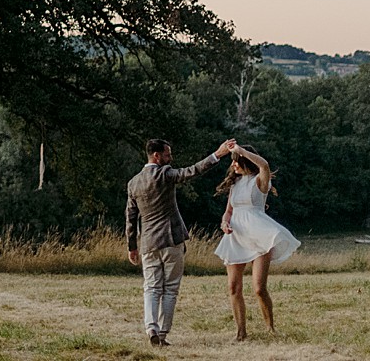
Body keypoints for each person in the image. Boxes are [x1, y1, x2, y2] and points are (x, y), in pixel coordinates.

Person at [126, 137, 237, 347]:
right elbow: (192, 171)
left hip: (148, 242)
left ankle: (151, 327)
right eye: (168, 154)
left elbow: (130, 217)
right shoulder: (165, 174)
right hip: (170, 239)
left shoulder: (133, 183)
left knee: (151, 287)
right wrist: (218, 154)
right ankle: (162, 333)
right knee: (170, 288)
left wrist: (132, 246)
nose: (171, 158)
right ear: (156, 156)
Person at [213, 142, 300, 340]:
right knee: (233, 287)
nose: (233, 166)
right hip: (236, 235)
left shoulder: (260, 180)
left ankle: (270, 328)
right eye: (233, 162)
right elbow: (228, 212)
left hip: (260, 235)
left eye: (236, 162)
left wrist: (241, 151)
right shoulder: (234, 184)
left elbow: (264, 166)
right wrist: (224, 223)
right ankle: (241, 333)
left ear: (245, 160)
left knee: (259, 288)